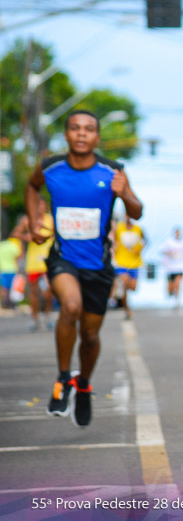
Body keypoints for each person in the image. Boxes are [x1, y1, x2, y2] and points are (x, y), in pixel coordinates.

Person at [26, 110, 143, 427]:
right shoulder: (51, 168)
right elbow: (31, 186)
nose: (81, 134)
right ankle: (63, 378)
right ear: (66, 135)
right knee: (71, 306)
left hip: (98, 266)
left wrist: (125, 192)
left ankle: (84, 384)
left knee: (90, 336)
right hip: (63, 258)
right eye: (75, 128)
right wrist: (36, 221)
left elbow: (137, 210)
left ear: (97, 137)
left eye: (88, 129)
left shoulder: (112, 170)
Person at [13, 198, 56, 330]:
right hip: (33, 260)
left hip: (48, 259)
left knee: (48, 291)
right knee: (34, 291)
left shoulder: (51, 219)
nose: (40, 208)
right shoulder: (28, 219)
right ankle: (35, 318)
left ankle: (47, 315)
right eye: (38, 205)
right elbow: (15, 233)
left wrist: (46, 230)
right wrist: (27, 237)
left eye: (42, 206)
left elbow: (57, 234)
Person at [111, 215, 145, 320]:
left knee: (133, 287)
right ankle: (126, 308)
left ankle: (119, 290)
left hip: (134, 262)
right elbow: (113, 240)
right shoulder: (119, 228)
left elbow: (145, 241)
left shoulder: (138, 228)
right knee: (124, 283)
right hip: (121, 261)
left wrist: (139, 248)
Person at [159, 227, 183, 309]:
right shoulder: (169, 242)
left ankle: (177, 301)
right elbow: (162, 251)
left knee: (178, 284)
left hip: (180, 267)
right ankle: (170, 292)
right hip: (170, 268)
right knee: (171, 286)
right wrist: (168, 253)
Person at [0, 232, 22, 310]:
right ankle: (11, 303)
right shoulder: (12, 245)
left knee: (4, 287)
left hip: (2, 269)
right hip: (12, 269)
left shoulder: (1, 246)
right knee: (12, 287)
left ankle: (4, 302)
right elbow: (18, 256)